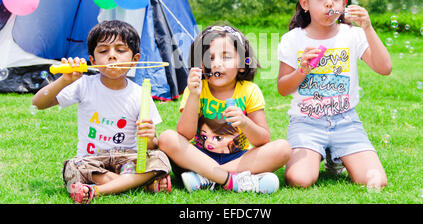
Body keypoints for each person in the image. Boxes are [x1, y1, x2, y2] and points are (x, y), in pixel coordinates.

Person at [32, 20, 172, 203]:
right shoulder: (83, 85)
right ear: (92, 60)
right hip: (91, 161)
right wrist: (65, 80)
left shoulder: (141, 93)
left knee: (160, 157)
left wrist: (150, 137)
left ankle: (97, 190)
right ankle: (138, 184)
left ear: (135, 60)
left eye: (120, 50)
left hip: (127, 161)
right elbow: (38, 103)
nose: (112, 56)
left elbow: (151, 145)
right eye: (103, 51)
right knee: (74, 165)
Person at [277, 0, 391, 189]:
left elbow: (385, 68)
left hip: (346, 122)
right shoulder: (292, 40)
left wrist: (367, 27)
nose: (329, 3)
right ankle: (321, 153)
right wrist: (302, 70)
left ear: (344, 2)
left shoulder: (352, 35)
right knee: (299, 180)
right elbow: (282, 88)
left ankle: (336, 155)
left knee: (375, 181)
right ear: (305, 3)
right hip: (306, 122)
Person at [158, 24, 291, 194]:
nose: (216, 64)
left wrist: (244, 122)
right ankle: (233, 181)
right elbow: (185, 133)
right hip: (199, 157)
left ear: (242, 64)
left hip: (238, 158)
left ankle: (207, 178)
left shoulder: (249, 90)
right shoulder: (196, 89)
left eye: (226, 57)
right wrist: (193, 95)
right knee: (167, 138)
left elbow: (262, 139)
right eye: (209, 58)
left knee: (283, 148)